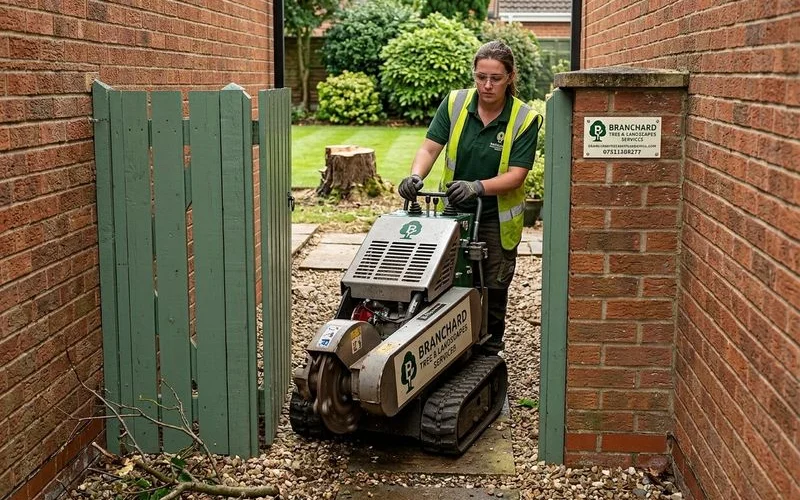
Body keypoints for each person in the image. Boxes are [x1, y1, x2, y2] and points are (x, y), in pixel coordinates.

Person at [398, 40, 542, 354]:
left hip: (495, 219)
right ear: (474, 74)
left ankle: (489, 354)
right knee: (443, 280)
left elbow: (517, 174)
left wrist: (477, 187)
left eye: (496, 78)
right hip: (453, 210)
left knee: (492, 288)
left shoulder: (524, 118)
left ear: (510, 77)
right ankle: (447, 348)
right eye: (480, 77)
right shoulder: (454, 103)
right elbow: (429, 148)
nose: (487, 85)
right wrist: (415, 176)